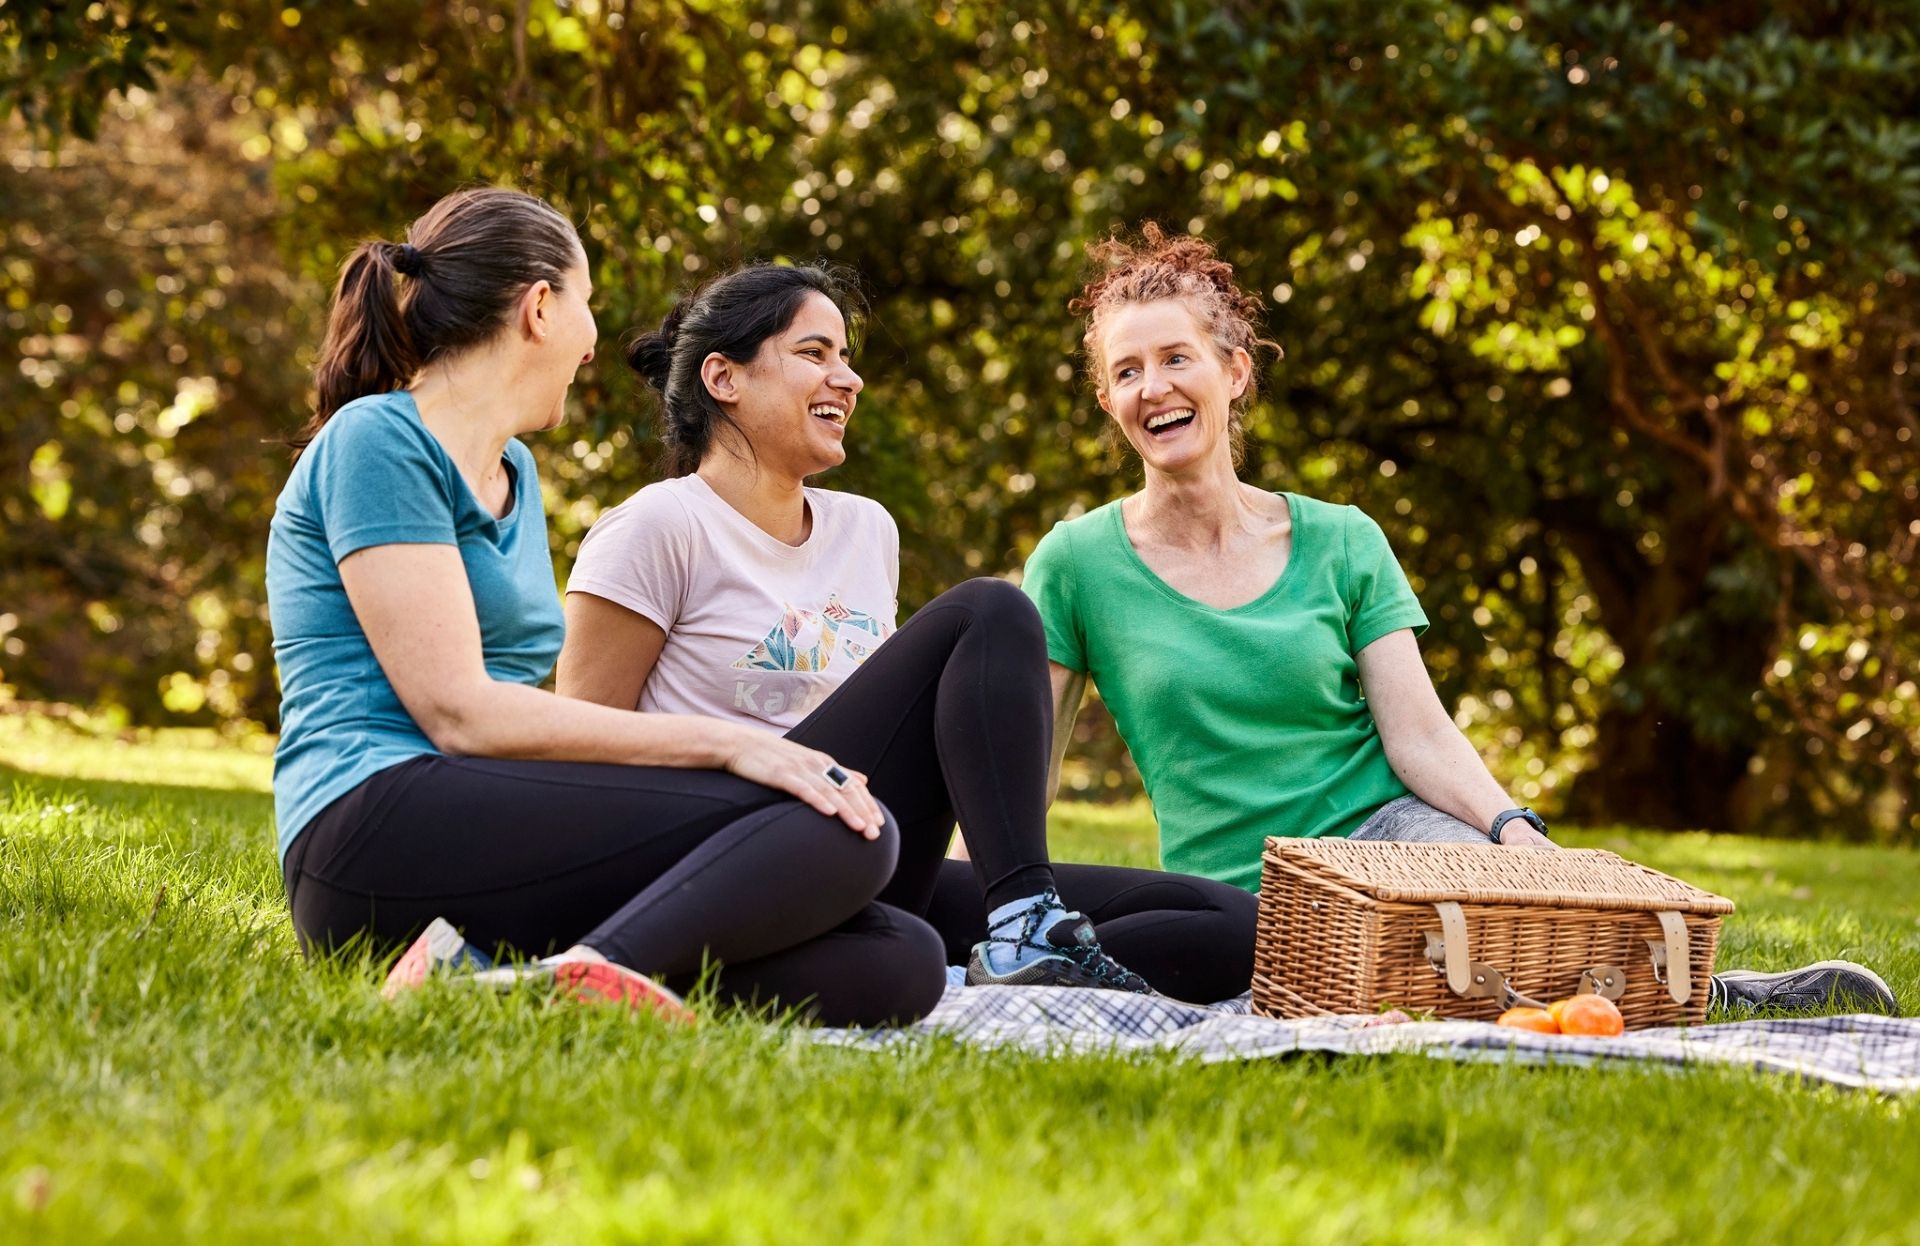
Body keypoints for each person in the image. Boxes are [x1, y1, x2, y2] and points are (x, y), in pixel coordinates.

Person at [1021, 223, 1898, 1017]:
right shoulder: (1076, 564)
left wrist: (1514, 831)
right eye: (1126, 373)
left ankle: (1704, 994)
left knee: (1501, 915)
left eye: (1177, 359)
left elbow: (1420, 736)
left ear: (1234, 372)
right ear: (1108, 403)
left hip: (1393, 836)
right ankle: (1680, 997)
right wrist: (992, 893)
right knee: (1415, 980)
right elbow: (1026, 762)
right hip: (1242, 891)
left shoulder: (1341, 539)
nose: (1154, 389)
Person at [270, 187, 956, 1028]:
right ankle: (594, 971)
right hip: (370, 828)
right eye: (588, 305)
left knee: (900, 959)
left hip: (486, 827)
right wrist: (736, 748)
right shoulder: (379, 439)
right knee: (848, 824)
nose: (595, 345)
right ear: (541, 308)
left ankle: (509, 987)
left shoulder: (513, 471)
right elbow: (457, 712)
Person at [553, 261, 1257, 1005]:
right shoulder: (658, 527)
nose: (847, 379)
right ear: (724, 379)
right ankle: (1021, 924)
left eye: (846, 358)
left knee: (1228, 923)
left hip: (868, 855)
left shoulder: (865, 530)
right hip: (726, 858)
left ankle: (1014, 950)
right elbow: (585, 759)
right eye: (815, 353)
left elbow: (895, 741)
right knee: (991, 612)